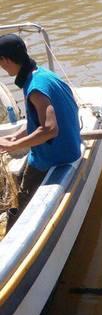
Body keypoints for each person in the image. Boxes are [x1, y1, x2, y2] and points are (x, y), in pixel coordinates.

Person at [0, 33, 81, 229]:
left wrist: (13, 145)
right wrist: (17, 135)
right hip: (69, 148)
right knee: (19, 178)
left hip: (54, 157)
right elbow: (37, 120)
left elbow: (50, 129)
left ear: (6, 60)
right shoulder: (43, 75)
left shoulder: (35, 88)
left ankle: (14, 227)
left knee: (23, 200)